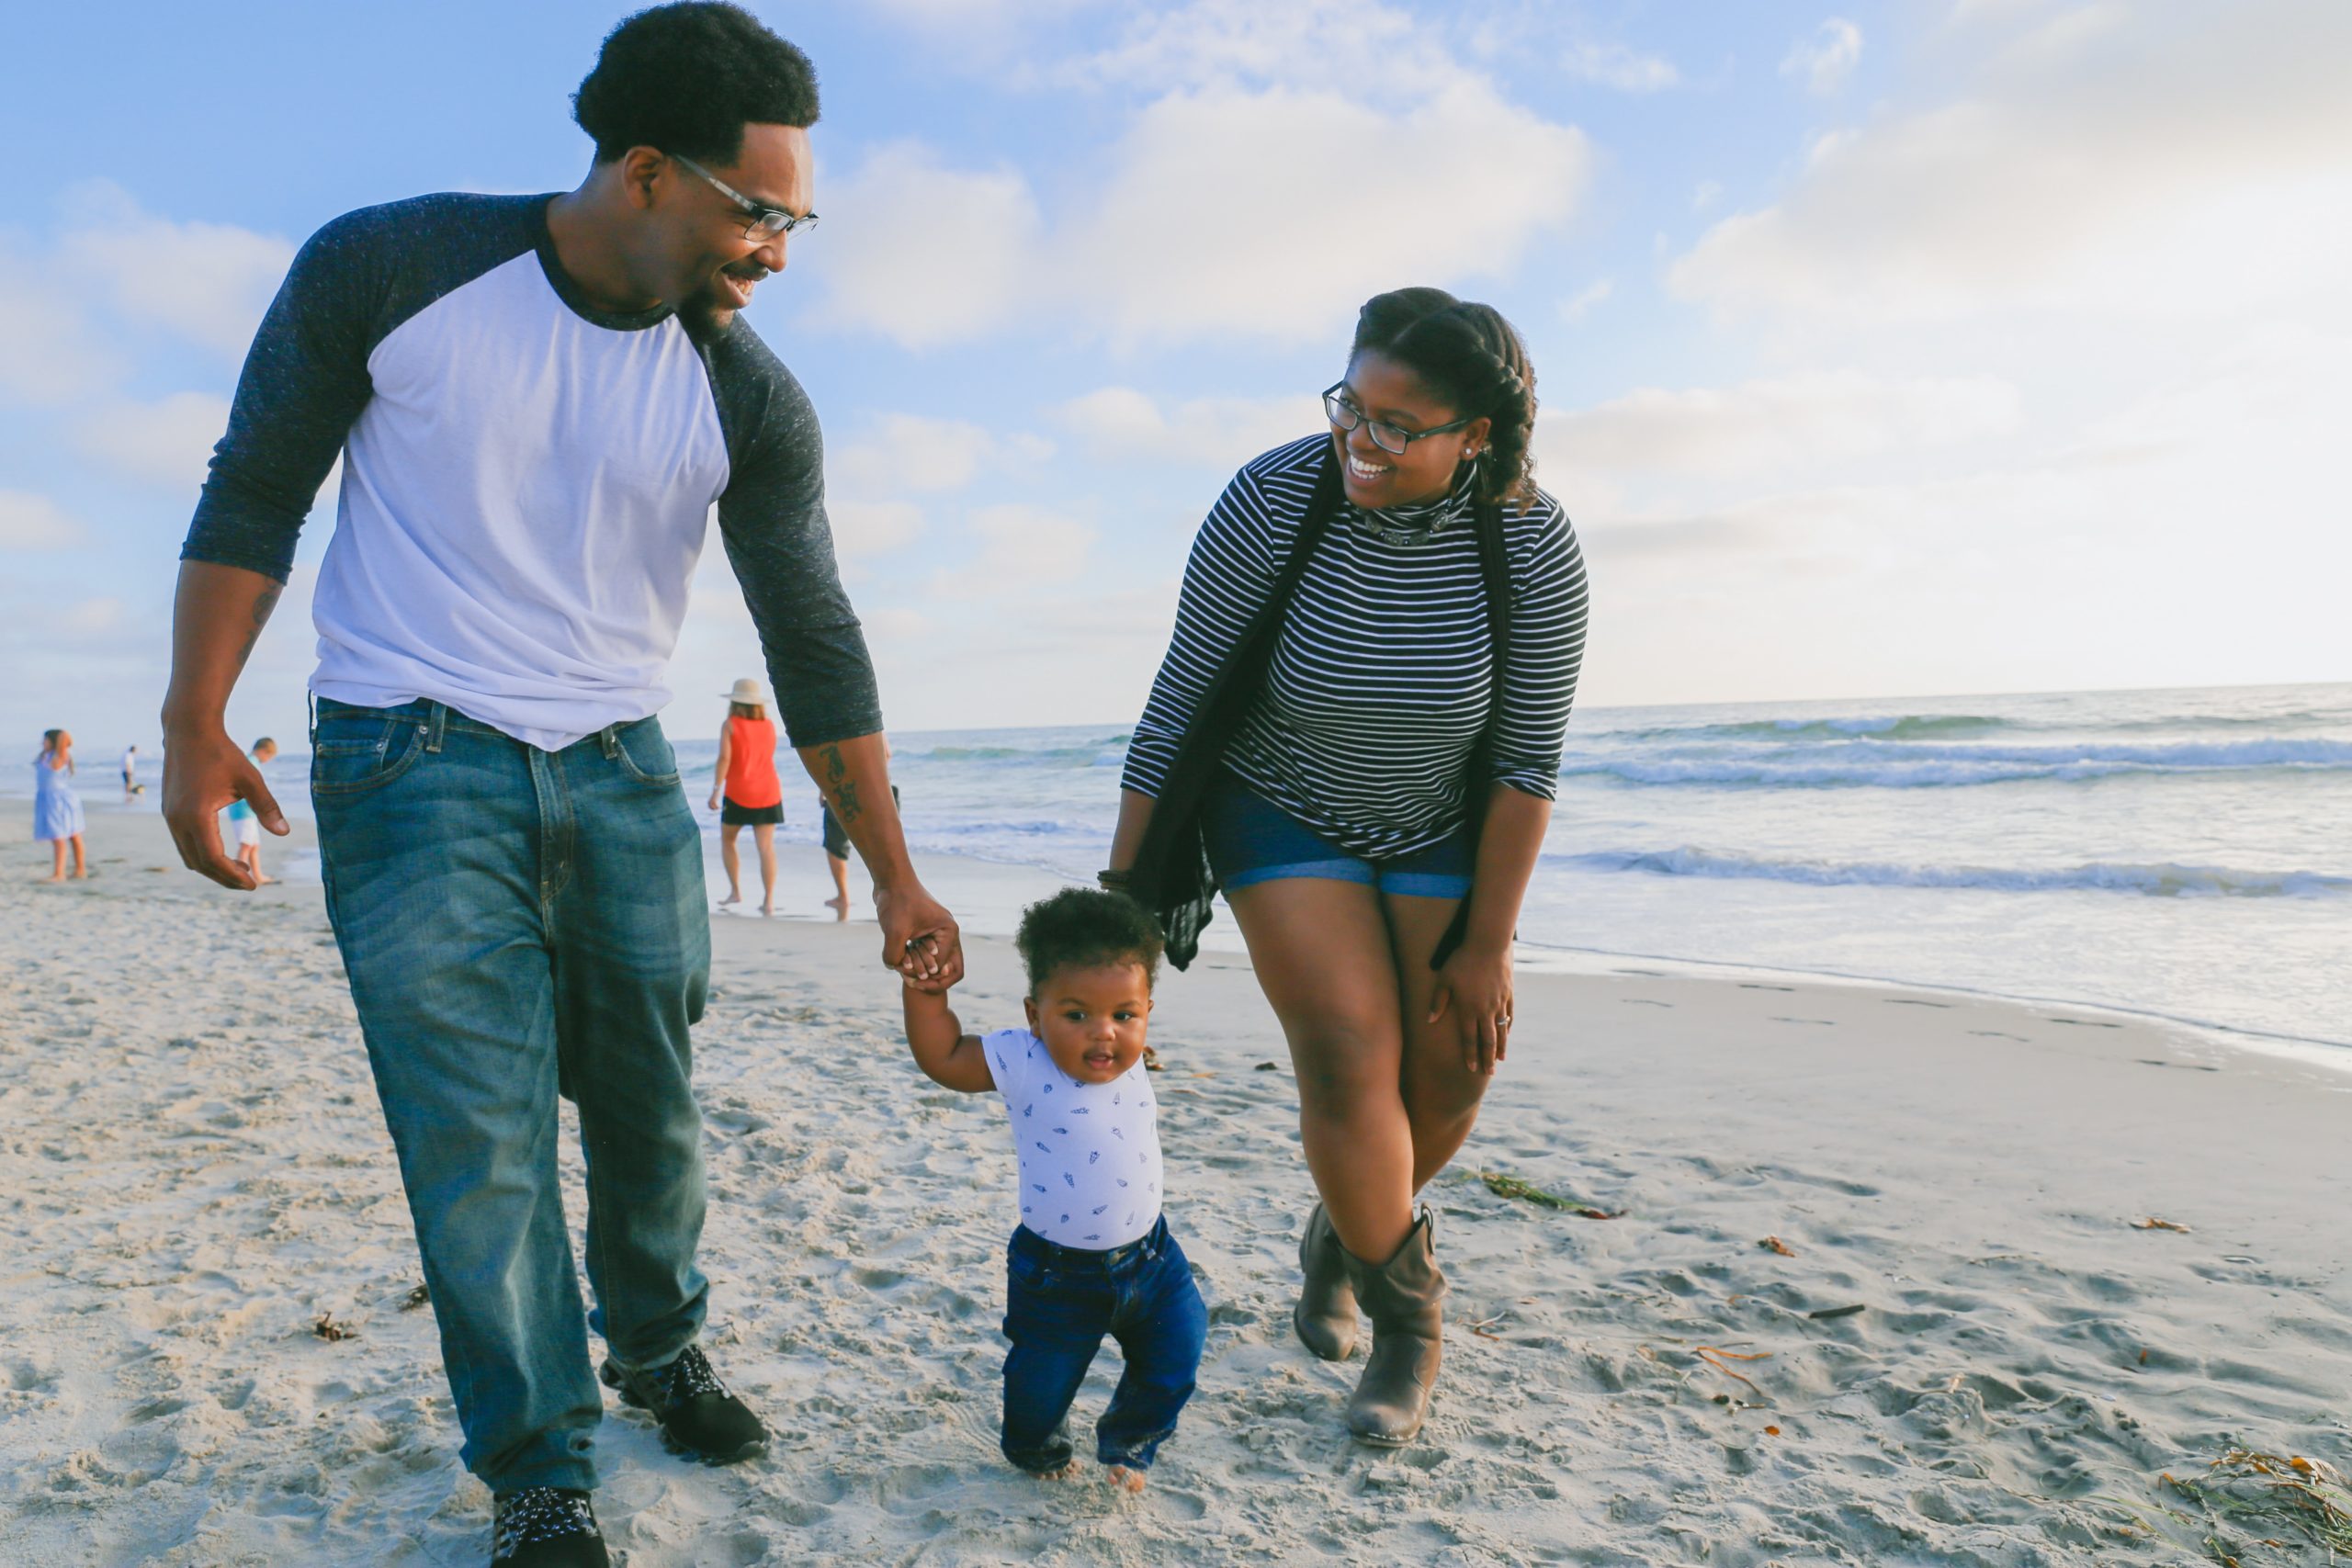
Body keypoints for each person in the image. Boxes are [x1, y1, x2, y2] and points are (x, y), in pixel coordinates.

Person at [160, 7, 961, 1564]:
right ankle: (541, 1461)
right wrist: (198, 717)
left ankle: (657, 1346)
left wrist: (900, 868)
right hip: (406, 758)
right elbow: (258, 481)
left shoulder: (748, 397)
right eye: (762, 211)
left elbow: (814, 634)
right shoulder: (389, 267)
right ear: (650, 174)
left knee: (653, 1112)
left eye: (796, 218)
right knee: (479, 1137)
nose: (781, 250)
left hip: (619, 774)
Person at [1109, 288, 1589, 1449]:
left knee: (1449, 1075)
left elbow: (1527, 759)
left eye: (1396, 425)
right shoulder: (1278, 494)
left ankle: (1345, 1231)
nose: (1360, 442)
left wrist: (1488, 945)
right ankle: (1409, 1324)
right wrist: (1120, 907)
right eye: (1350, 407)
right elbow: (1182, 694)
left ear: (1477, 432)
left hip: (1441, 823)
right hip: (1279, 803)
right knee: (1346, 1056)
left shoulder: (1529, 539)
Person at [901, 888, 1206, 1493]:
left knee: (1177, 1355)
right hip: (1058, 1276)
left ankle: (1130, 1441)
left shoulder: (1131, 1055)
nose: (1104, 1035)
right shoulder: (1024, 1057)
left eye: (1124, 1015)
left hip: (1153, 1258)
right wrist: (925, 993)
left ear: (1146, 1009)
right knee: (1040, 1385)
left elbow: (1122, 1035)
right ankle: (1037, 1448)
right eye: (1076, 1014)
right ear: (1035, 1013)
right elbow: (942, 1055)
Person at [707, 678, 782, 915]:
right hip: (769, 790)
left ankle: (735, 891)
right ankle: (768, 901)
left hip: (739, 791)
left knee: (729, 840)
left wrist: (716, 789)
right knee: (766, 847)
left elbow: (725, 759)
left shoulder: (730, 724)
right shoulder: (769, 725)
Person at [819, 737, 897, 915]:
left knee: (835, 846)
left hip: (841, 787)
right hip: (876, 788)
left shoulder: (832, 722)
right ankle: (888, 893)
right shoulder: (868, 716)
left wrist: (823, 789)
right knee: (881, 846)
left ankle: (843, 897)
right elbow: (887, 754)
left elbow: (825, 759)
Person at [223, 738, 279, 886]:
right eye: (269, 757)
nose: (267, 760)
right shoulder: (250, 763)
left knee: (254, 845)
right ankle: (238, 875)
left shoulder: (248, 761)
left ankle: (258, 875)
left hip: (248, 810)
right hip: (243, 810)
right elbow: (251, 788)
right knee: (246, 844)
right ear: (263, 751)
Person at [34, 729, 87, 882]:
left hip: (60, 800)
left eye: (45, 740)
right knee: (68, 835)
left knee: (63, 836)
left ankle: (62, 873)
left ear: (54, 741)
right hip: (49, 799)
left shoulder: (61, 755)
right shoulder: (46, 756)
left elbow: (66, 739)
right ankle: (78, 870)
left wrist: (59, 736)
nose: (42, 743)